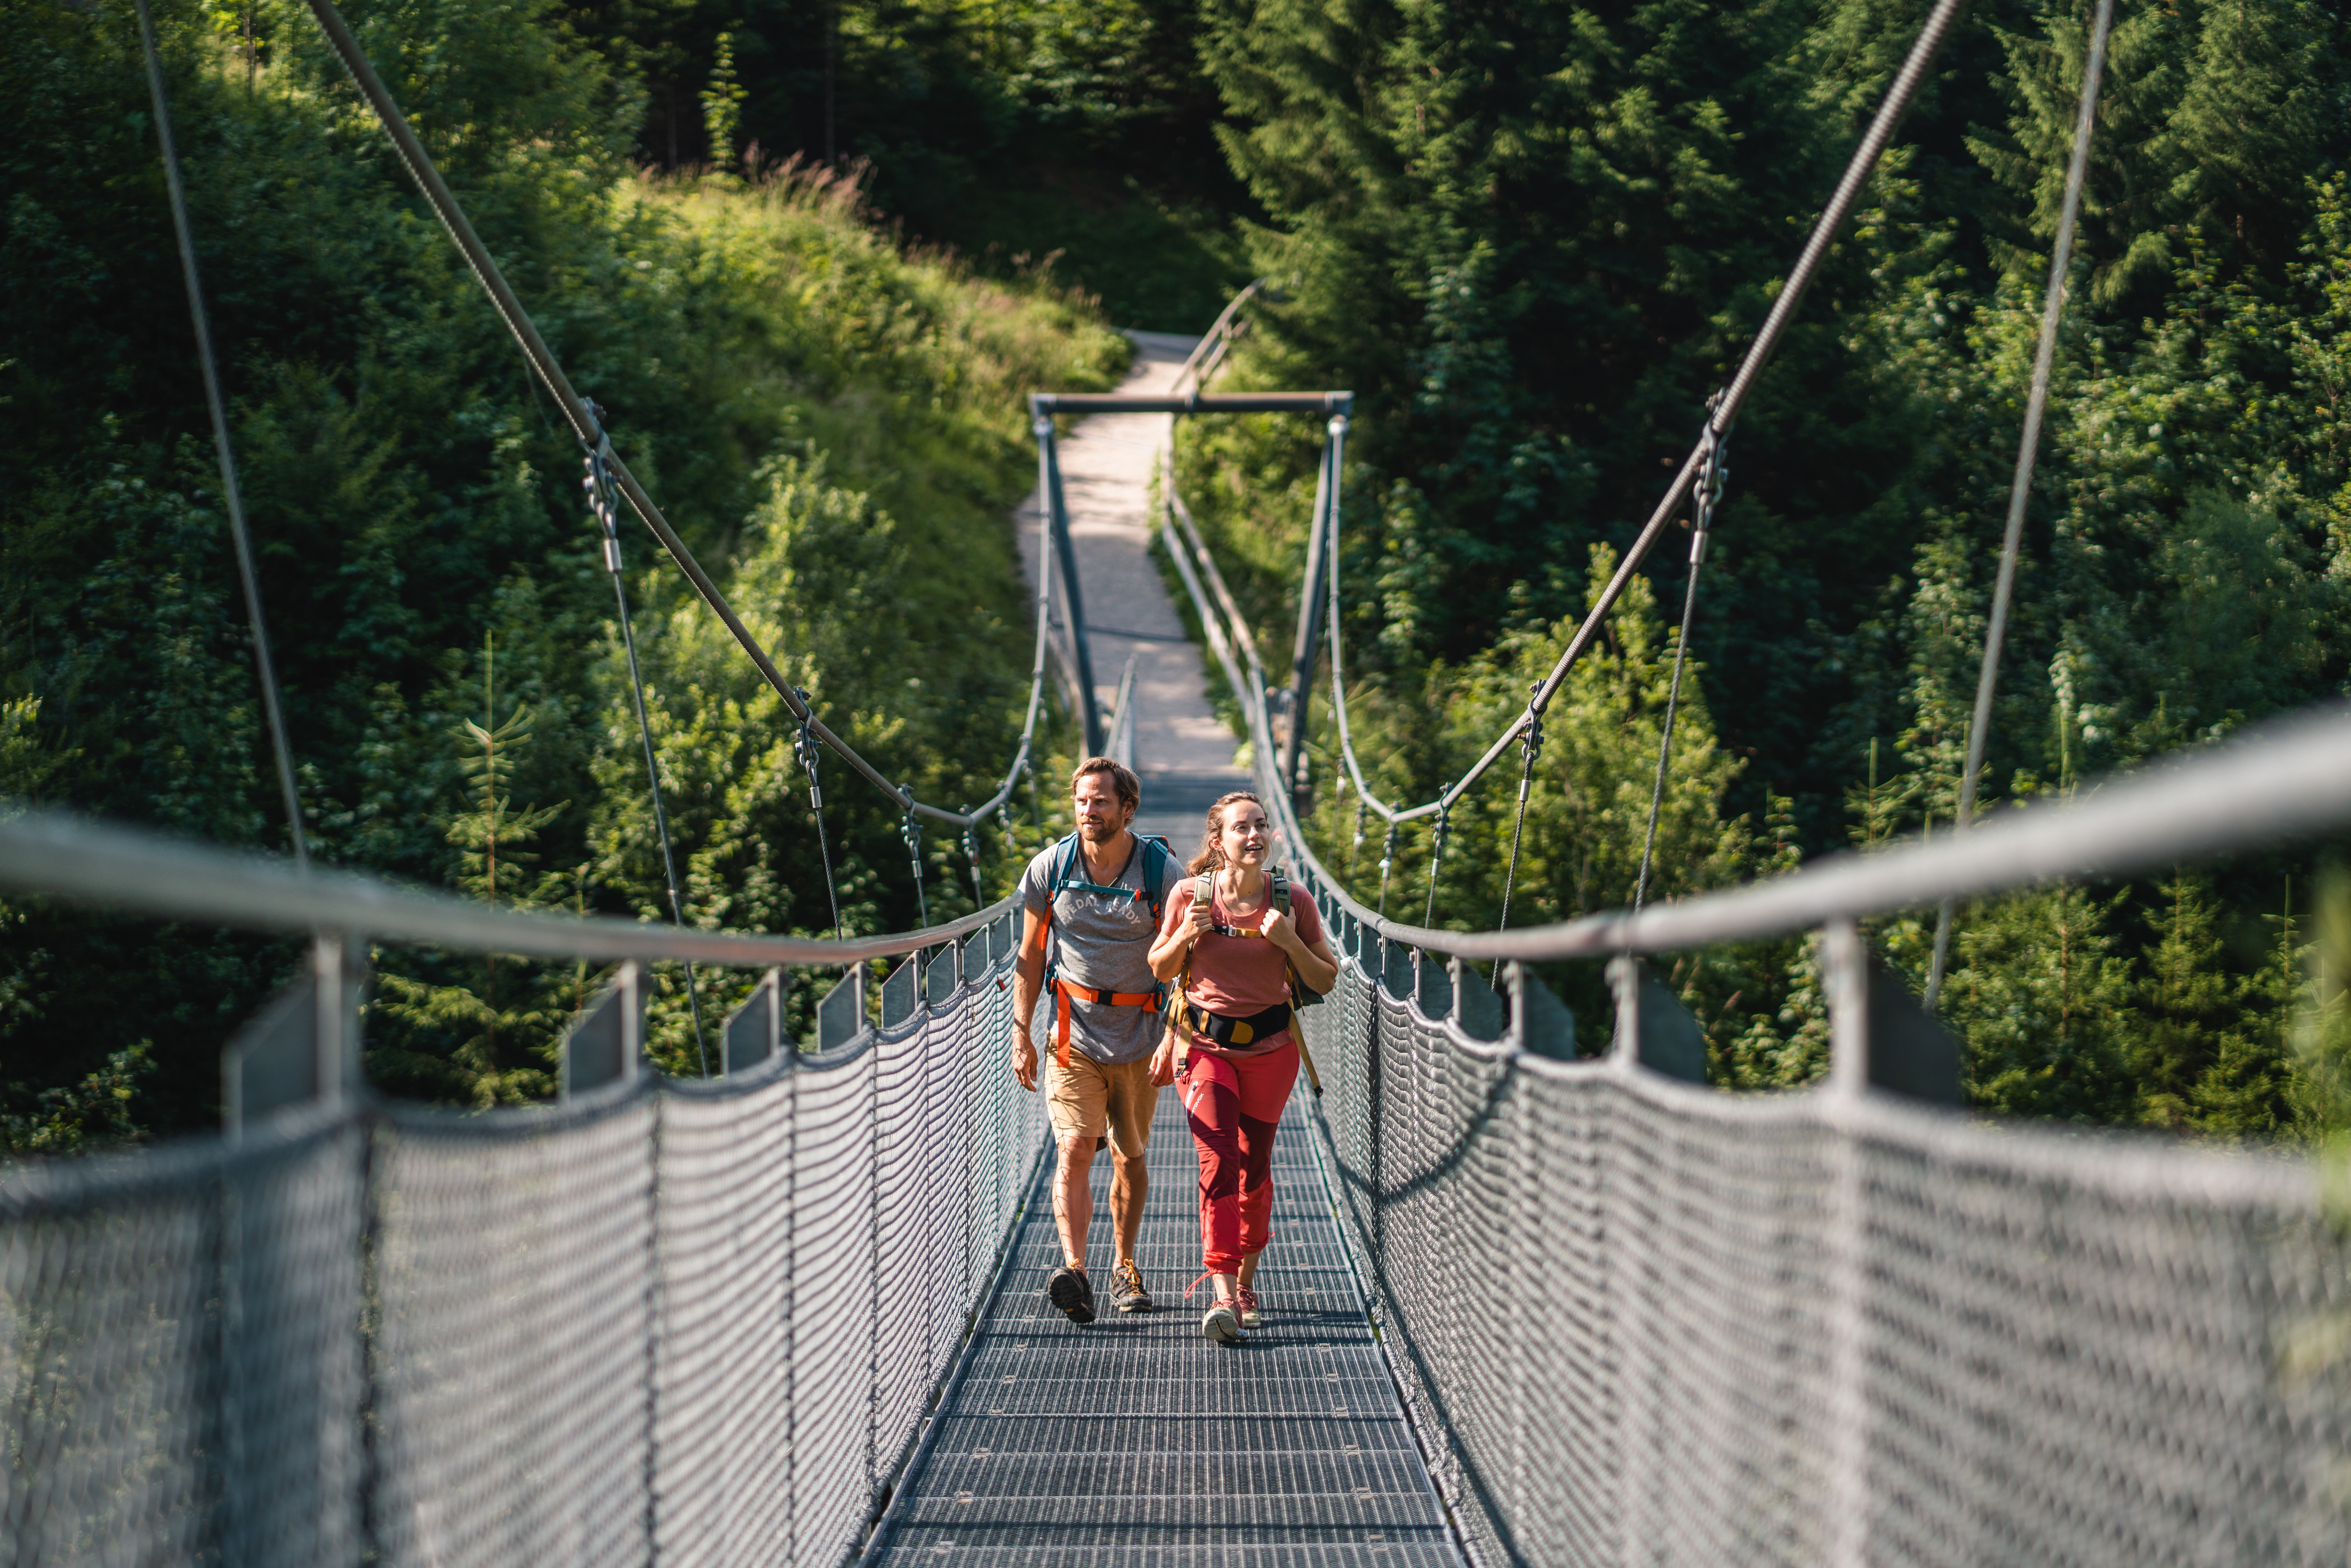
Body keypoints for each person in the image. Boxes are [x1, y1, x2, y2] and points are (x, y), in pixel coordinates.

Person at [1147, 791, 1339, 1345]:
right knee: (1218, 1162)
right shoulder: (1190, 895)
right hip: (1204, 1048)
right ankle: (1224, 1293)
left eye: (1261, 825)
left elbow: (1324, 979)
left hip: (1272, 1050)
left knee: (1254, 1172)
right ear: (1219, 842)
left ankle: (1246, 1285)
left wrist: (1287, 941)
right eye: (1241, 828)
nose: (1254, 836)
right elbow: (1160, 968)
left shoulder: (1293, 899)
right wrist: (1187, 932)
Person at [1011, 756, 1179, 1323]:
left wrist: (1173, 1037)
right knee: (1076, 1147)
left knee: (1131, 1156)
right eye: (1082, 801)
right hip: (1071, 1033)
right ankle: (1076, 1270)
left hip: (1139, 1035)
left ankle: (1124, 1264)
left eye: (1101, 801)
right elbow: (1031, 955)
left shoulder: (1160, 873)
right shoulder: (1050, 867)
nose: (1089, 810)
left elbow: (1186, 963)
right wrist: (1022, 1034)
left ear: (1127, 809)